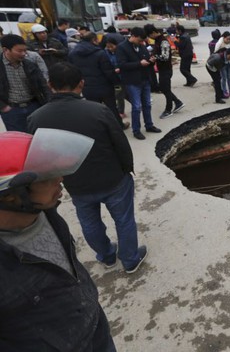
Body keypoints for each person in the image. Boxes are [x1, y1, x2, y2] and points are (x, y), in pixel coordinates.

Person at [0, 128, 116, 351]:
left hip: (95, 327)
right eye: (47, 177)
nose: (60, 179)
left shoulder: (44, 212)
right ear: (11, 195)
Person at [28, 62, 148, 275]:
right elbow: (120, 143)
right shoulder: (99, 110)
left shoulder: (36, 118)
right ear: (81, 84)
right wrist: (127, 169)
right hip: (112, 178)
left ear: (49, 85)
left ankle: (107, 256)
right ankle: (130, 260)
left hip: (75, 182)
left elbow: (41, 156)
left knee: (89, 222)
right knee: (124, 220)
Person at [68, 32, 129, 131]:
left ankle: (99, 129)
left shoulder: (73, 54)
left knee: (94, 110)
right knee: (112, 108)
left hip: (87, 87)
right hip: (104, 86)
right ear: (93, 40)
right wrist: (117, 82)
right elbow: (108, 71)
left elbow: (72, 70)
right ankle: (118, 126)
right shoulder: (100, 53)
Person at [116, 27, 162, 140]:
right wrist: (139, 64)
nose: (141, 42)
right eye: (140, 40)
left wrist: (150, 62)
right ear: (134, 36)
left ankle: (149, 125)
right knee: (136, 107)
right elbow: (122, 65)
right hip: (132, 81)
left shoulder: (141, 46)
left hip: (145, 79)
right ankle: (136, 130)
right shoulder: (122, 48)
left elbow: (145, 59)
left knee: (147, 104)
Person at [0, 34, 51, 132]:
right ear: (6, 50)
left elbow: (43, 85)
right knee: (19, 140)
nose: (23, 54)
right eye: (19, 51)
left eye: (25, 50)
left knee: (38, 136)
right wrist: (3, 106)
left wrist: (48, 103)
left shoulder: (29, 65)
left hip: (34, 106)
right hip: (11, 111)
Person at [144, 24, 184, 120]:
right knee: (164, 88)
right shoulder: (158, 40)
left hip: (166, 69)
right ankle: (178, 102)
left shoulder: (163, 41)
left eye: (149, 35)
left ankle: (168, 110)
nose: (149, 37)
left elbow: (165, 57)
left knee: (165, 89)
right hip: (162, 69)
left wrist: (154, 58)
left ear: (153, 32)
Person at [215, 31, 230, 98]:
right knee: (224, 78)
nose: (228, 40)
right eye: (227, 39)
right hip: (222, 64)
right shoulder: (219, 44)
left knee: (229, 78)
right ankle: (224, 91)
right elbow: (216, 54)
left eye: (229, 39)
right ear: (224, 38)